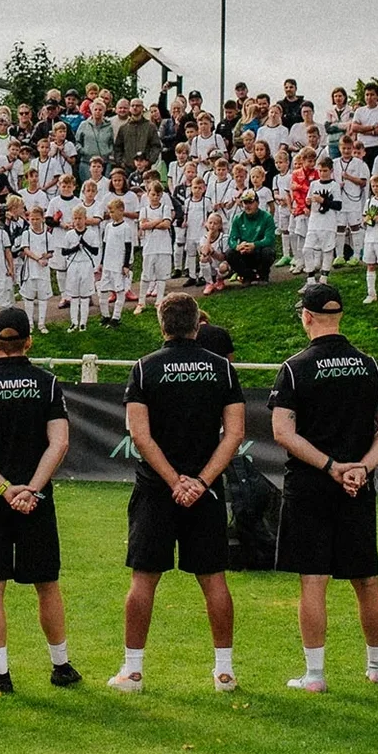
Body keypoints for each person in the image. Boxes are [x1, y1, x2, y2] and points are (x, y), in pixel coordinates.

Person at [268, 283, 378, 692]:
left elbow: (282, 432)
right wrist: (361, 467)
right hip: (357, 486)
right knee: (367, 579)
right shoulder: (370, 366)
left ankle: (314, 674)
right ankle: (377, 665)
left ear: (306, 317)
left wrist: (331, 466)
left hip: (311, 484)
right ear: (339, 316)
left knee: (314, 579)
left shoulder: (295, 367)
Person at [112, 293, 246, 694]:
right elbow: (235, 433)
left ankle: (132, 672)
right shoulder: (221, 369)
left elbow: (140, 434)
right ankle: (224, 672)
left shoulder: (144, 368)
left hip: (157, 488)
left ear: (162, 325)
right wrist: (201, 482)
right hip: (204, 491)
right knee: (213, 579)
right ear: (196, 325)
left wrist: (174, 481)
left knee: (144, 578)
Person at [0, 307, 79, 693]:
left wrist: (5, 489)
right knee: (46, 582)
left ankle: (1, 674)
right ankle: (60, 666)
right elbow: (59, 442)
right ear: (29, 341)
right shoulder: (48, 383)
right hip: (36, 499)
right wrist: (32, 489)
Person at [227, 191, 277, 283]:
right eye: (245, 202)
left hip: (259, 250)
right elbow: (231, 239)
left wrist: (254, 245)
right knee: (230, 253)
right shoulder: (238, 218)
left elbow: (270, 239)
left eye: (250, 202)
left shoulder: (267, 217)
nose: (247, 205)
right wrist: (237, 247)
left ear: (257, 203)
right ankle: (248, 276)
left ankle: (263, 275)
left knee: (268, 252)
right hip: (244, 251)